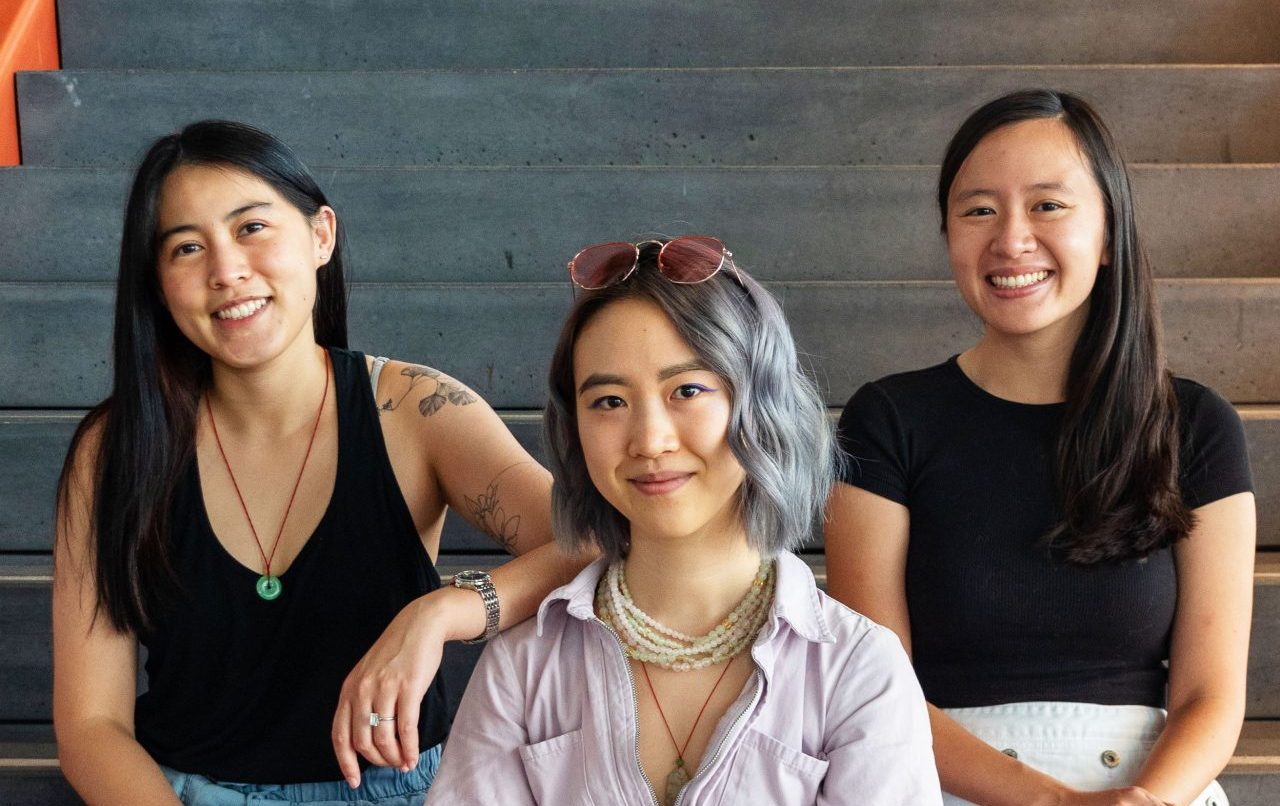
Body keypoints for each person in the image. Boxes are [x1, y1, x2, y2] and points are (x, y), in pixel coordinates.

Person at [52, 120, 585, 805]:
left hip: (403, 791)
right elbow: (92, 727)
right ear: (158, 285)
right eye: (187, 247)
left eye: (251, 228)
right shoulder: (118, 447)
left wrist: (441, 614)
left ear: (320, 235)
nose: (227, 271)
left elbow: (588, 540)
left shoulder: (416, 409)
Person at [827, 89, 1255, 806]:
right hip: (942, 782)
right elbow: (876, 688)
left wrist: (1143, 800)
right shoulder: (887, 419)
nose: (1011, 239)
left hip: (1150, 790)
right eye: (979, 210)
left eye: (1048, 206)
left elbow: (1210, 695)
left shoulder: (1196, 424)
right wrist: (1053, 804)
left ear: (1111, 232)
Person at [426, 236, 942, 805]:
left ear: (761, 404)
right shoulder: (522, 671)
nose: (649, 440)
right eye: (609, 402)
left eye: (687, 390)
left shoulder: (857, 668)